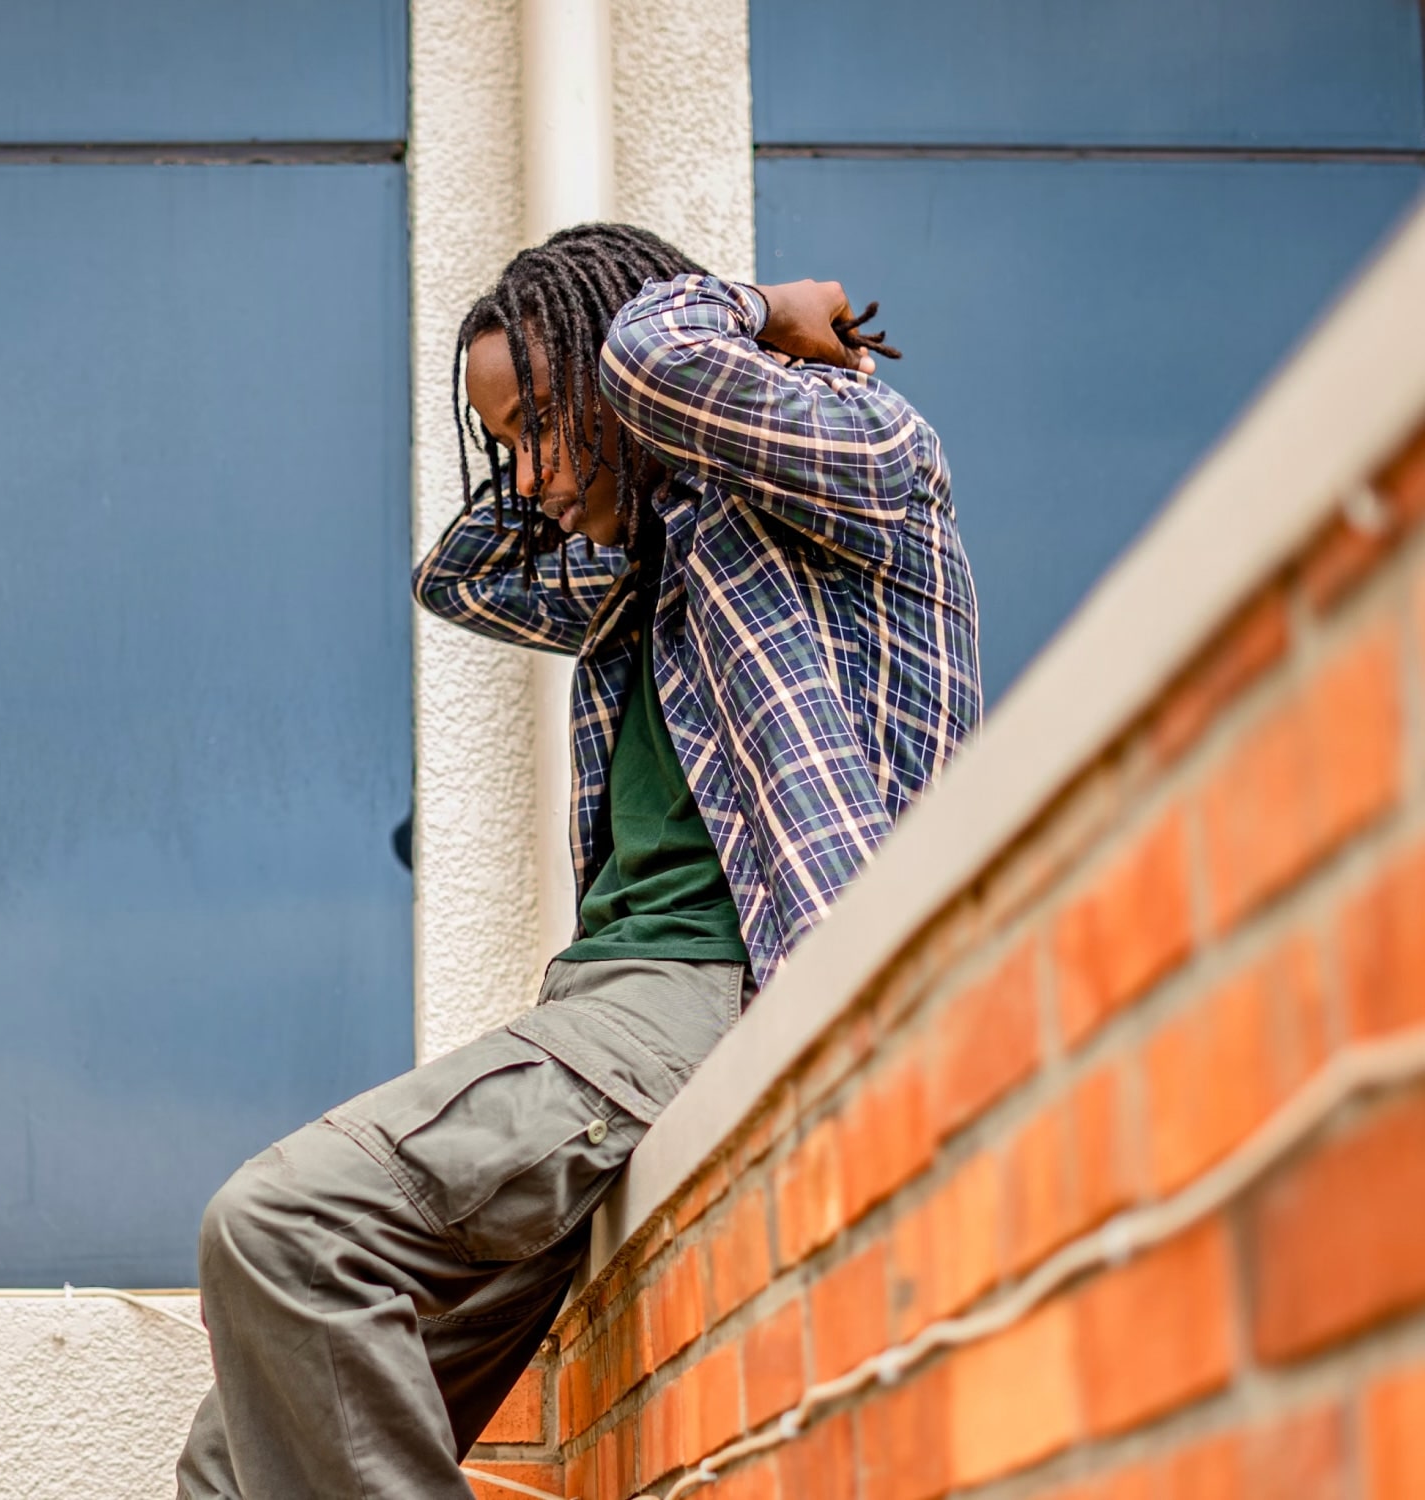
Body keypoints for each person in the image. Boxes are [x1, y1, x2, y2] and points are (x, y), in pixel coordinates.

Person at [174, 223, 981, 1499]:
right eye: (505, 441)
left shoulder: (854, 457)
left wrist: (764, 308)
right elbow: (463, 574)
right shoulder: (634, 569)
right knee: (236, 1466)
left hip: (718, 985)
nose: (531, 475)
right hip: (600, 1012)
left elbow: (659, 351)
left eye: (541, 425)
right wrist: (553, 439)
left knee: (287, 1227)